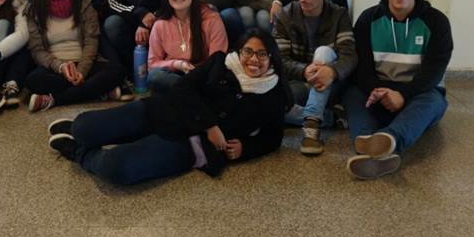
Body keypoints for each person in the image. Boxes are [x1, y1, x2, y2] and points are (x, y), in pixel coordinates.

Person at [45, 28, 290, 186]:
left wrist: (246, 148)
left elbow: (273, 138)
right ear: (239, 50)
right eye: (248, 51)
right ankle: (80, 133)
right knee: (84, 127)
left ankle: (79, 152)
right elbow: (182, 87)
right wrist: (210, 125)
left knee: (116, 168)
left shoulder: (275, 93)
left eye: (262, 54)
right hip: (163, 111)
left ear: (271, 58)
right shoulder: (220, 62)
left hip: (190, 146)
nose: (253, 59)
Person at [344, 0, 452, 179]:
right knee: (352, 93)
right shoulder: (367, 20)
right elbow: (362, 69)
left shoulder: (437, 22)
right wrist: (378, 91)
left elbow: (433, 73)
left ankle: (390, 139)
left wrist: (403, 95)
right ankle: (368, 143)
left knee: (433, 100)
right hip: (377, 94)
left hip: (417, 95)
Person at [272, 0, 356, 155]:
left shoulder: (339, 15)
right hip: (300, 82)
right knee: (269, 107)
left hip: (331, 84)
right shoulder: (286, 15)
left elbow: (350, 56)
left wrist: (331, 71)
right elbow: (279, 59)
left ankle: (311, 129)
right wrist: (303, 70)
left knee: (323, 53)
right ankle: (329, 118)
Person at [24, 0, 126, 112]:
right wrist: (61, 67)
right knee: (33, 80)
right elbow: (37, 50)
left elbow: (92, 41)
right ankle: (98, 92)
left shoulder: (84, 2)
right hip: (56, 68)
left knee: (117, 71)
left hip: (86, 63)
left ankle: (54, 100)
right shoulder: (34, 9)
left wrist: (81, 71)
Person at [147, 0, 228, 93]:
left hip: (203, 76)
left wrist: (195, 75)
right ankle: (192, 94)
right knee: (155, 77)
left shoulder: (211, 19)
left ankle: (188, 94)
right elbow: (152, 64)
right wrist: (177, 64)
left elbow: (216, 61)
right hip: (175, 76)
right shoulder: (160, 24)